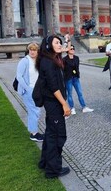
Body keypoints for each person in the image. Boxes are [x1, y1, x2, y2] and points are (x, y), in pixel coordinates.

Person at [36, 35, 71, 179]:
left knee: (50, 134)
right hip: (54, 104)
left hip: (52, 104)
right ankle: (53, 170)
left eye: (60, 42)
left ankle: (44, 162)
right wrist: (64, 104)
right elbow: (53, 86)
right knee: (57, 137)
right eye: (56, 42)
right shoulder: (48, 62)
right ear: (49, 45)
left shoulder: (51, 59)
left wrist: (66, 43)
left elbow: (64, 49)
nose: (59, 45)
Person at [16, 42, 43, 142]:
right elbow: (19, 76)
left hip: (37, 90)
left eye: (34, 50)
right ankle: (34, 133)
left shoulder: (37, 61)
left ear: (37, 51)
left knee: (36, 110)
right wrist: (28, 89)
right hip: (29, 90)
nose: (32, 51)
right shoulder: (24, 61)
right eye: (31, 49)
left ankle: (34, 131)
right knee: (34, 111)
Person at [63, 45, 94, 115]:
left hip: (76, 78)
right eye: (71, 49)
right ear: (67, 50)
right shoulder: (64, 59)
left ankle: (84, 107)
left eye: (73, 48)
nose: (73, 50)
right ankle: (72, 108)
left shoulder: (76, 58)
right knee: (70, 94)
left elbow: (77, 68)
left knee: (80, 93)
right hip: (68, 78)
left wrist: (77, 74)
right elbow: (63, 70)